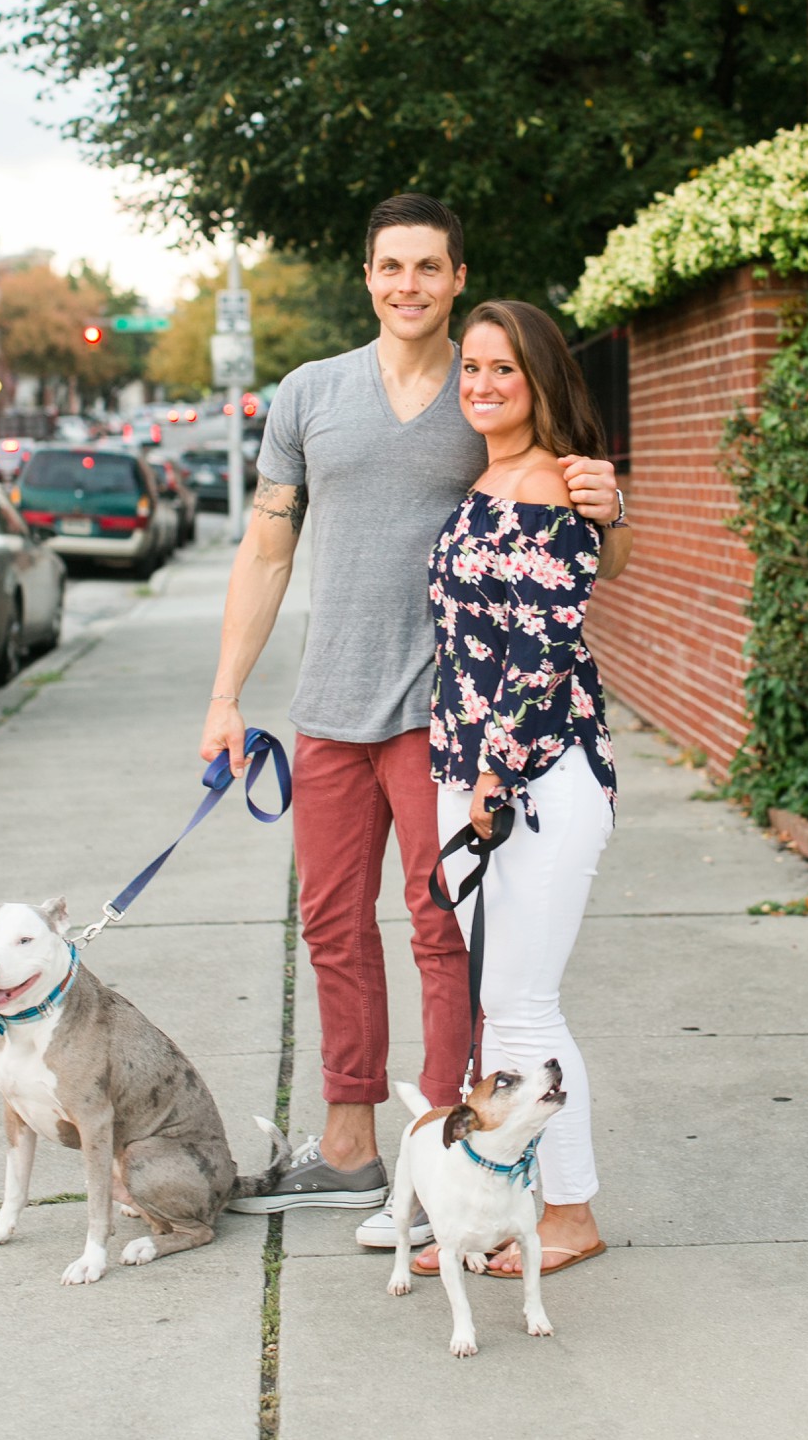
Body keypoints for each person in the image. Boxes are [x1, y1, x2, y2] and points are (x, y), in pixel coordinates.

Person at [200, 196, 631, 1238]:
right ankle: (349, 1149)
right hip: (327, 707)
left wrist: (609, 508)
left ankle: (441, 1152)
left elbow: (584, 559)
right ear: (365, 275)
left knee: (444, 936)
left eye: (427, 268)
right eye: (389, 266)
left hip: (443, 719)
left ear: (453, 275)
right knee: (331, 929)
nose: (407, 284)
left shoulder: (486, 390)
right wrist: (223, 696)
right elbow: (266, 549)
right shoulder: (309, 395)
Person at [412, 299, 619, 1279]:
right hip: (470, 775)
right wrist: (458, 771)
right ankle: (520, 1205)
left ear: (540, 382)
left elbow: (538, 655)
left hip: (537, 776)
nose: (482, 385)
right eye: (472, 369)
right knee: (504, 1001)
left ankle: (570, 1213)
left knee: (524, 1008)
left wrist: (490, 772)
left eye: (503, 369)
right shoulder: (483, 479)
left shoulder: (557, 490)